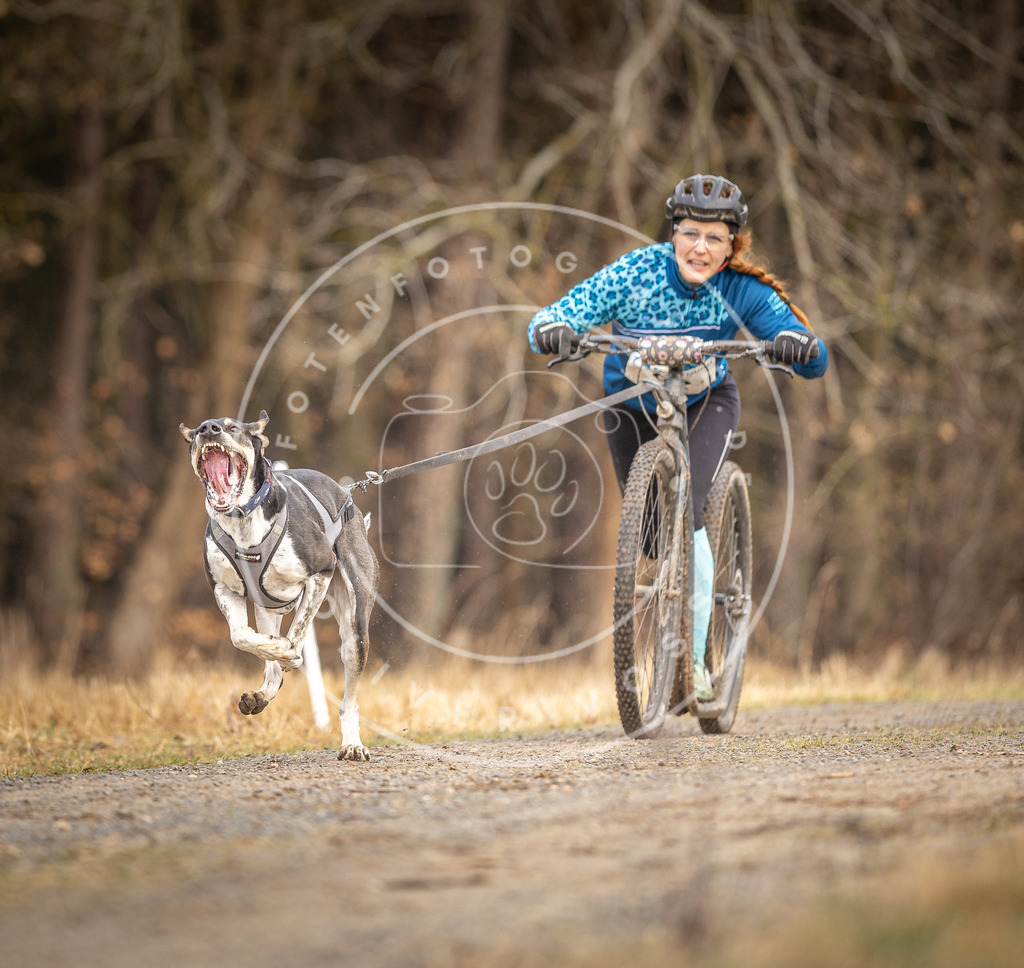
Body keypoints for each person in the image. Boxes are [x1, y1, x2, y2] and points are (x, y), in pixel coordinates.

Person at [528, 173, 828, 700]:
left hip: (706, 403)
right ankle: (669, 603)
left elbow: (811, 351)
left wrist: (793, 345)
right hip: (631, 401)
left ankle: (696, 660)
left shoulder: (740, 290)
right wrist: (553, 328)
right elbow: (557, 315)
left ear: (732, 244)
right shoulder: (634, 272)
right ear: (673, 234)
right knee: (647, 536)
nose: (701, 247)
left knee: (687, 519)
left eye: (716, 238)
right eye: (691, 233)